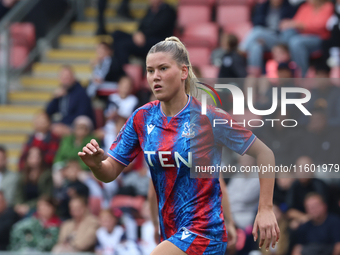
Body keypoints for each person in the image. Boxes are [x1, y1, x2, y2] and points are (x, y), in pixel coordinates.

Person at [78, 37, 280, 254]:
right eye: (150, 70)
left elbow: (264, 154)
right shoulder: (142, 117)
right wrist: (96, 165)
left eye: (163, 68)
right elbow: (109, 173)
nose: (155, 77)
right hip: (172, 233)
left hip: (205, 233)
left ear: (184, 72)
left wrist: (266, 208)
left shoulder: (208, 118)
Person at [280, 0, 334, 77]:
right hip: (303, 36)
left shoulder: (328, 6)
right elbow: (295, 22)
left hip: (320, 38)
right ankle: (284, 66)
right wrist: (291, 24)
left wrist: (302, 25)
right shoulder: (305, 7)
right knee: (287, 33)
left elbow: (322, 25)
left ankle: (302, 74)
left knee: (296, 42)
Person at [46, 65, 96, 137]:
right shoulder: (61, 93)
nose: (65, 80)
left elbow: (82, 114)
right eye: (63, 77)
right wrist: (55, 98)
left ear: (73, 77)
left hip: (78, 126)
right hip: (64, 123)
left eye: (67, 77)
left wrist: (63, 124)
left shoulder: (81, 92)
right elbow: (48, 112)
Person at [14, 147, 53, 217]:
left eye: (37, 156)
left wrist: (28, 206)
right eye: (31, 156)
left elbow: (46, 196)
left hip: (38, 206)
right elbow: (18, 193)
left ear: (41, 158)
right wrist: (18, 205)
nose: (34, 159)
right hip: (23, 206)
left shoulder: (47, 175)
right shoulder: (23, 175)